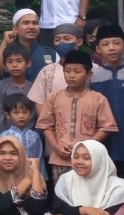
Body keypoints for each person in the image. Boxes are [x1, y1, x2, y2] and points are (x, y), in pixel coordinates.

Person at [36, 50, 116, 180]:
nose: (71, 75)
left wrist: (86, 146)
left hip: (88, 158)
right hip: (60, 157)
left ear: (89, 74)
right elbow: (45, 125)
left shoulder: (98, 99)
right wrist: (56, 147)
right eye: (67, 71)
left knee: (86, 195)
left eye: (77, 71)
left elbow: (107, 127)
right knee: (62, 194)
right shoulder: (54, 97)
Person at [90, 24, 124, 175]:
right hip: (102, 142)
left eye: (117, 43)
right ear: (98, 49)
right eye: (106, 44)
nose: (112, 48)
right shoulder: (92, 76)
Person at [0, 9, 54, 82]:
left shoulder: (49, 52)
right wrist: (5, 43)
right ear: (15, 29)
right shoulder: (7, 51)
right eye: (26, 23)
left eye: (35, 23)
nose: (31, 27)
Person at [26, 22, 82, 106]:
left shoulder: (91, 69)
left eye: (67, 39)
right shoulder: (47, 71)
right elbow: (39, 103)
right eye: (57, 40)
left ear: (79, 41)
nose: (62, 42)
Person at [0, 43, 33, 134]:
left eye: (19, 61)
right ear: (5, 65)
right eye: (10, 62)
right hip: (6, 139)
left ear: (28, 63)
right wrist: (4, 139)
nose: (14, 65)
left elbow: (34, 116)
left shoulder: (33, 87)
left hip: (30, 138)